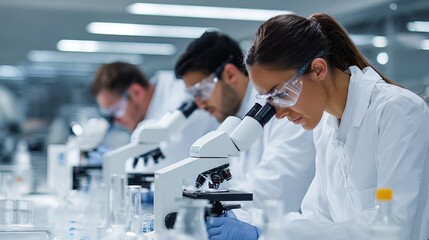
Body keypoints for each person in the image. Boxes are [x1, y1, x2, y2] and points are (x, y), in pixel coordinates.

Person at [206, 13, 429, 240]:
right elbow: (316, 218)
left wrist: (265, 233)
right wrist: (248, 221)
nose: (279, 113)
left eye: (283, 94)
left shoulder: (397, 111)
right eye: (270, 101)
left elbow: (389, 227)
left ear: (319, 69)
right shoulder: (326, 128)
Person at [174, 31, 316, 222]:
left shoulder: (287, 112)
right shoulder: (235, 119)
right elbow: (234, 184)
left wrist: (219, 213)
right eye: (194, 95)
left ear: (230, 74)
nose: (200, 104)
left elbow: (276, 193)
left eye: (202, 90)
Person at [91, 62, 218, 172]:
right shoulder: (152, 110)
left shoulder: (180, 98)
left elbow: (167, 161)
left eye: (116, 110)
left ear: (136, 92)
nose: (116, 120)